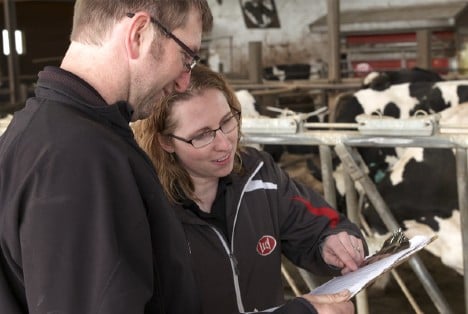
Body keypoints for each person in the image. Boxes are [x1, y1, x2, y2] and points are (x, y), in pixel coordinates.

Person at [0, 1, 213, 314]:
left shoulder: (37, 132)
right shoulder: (78, 160)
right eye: (187, 57)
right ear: (138, 33)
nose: (184, 81)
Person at [133, 65, 368, 314]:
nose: (224, 144)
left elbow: (323, 224)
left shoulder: (260, 174)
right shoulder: (146, 209)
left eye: (227, 122)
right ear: (166, 142)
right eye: (202, 136)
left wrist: (333, 241)